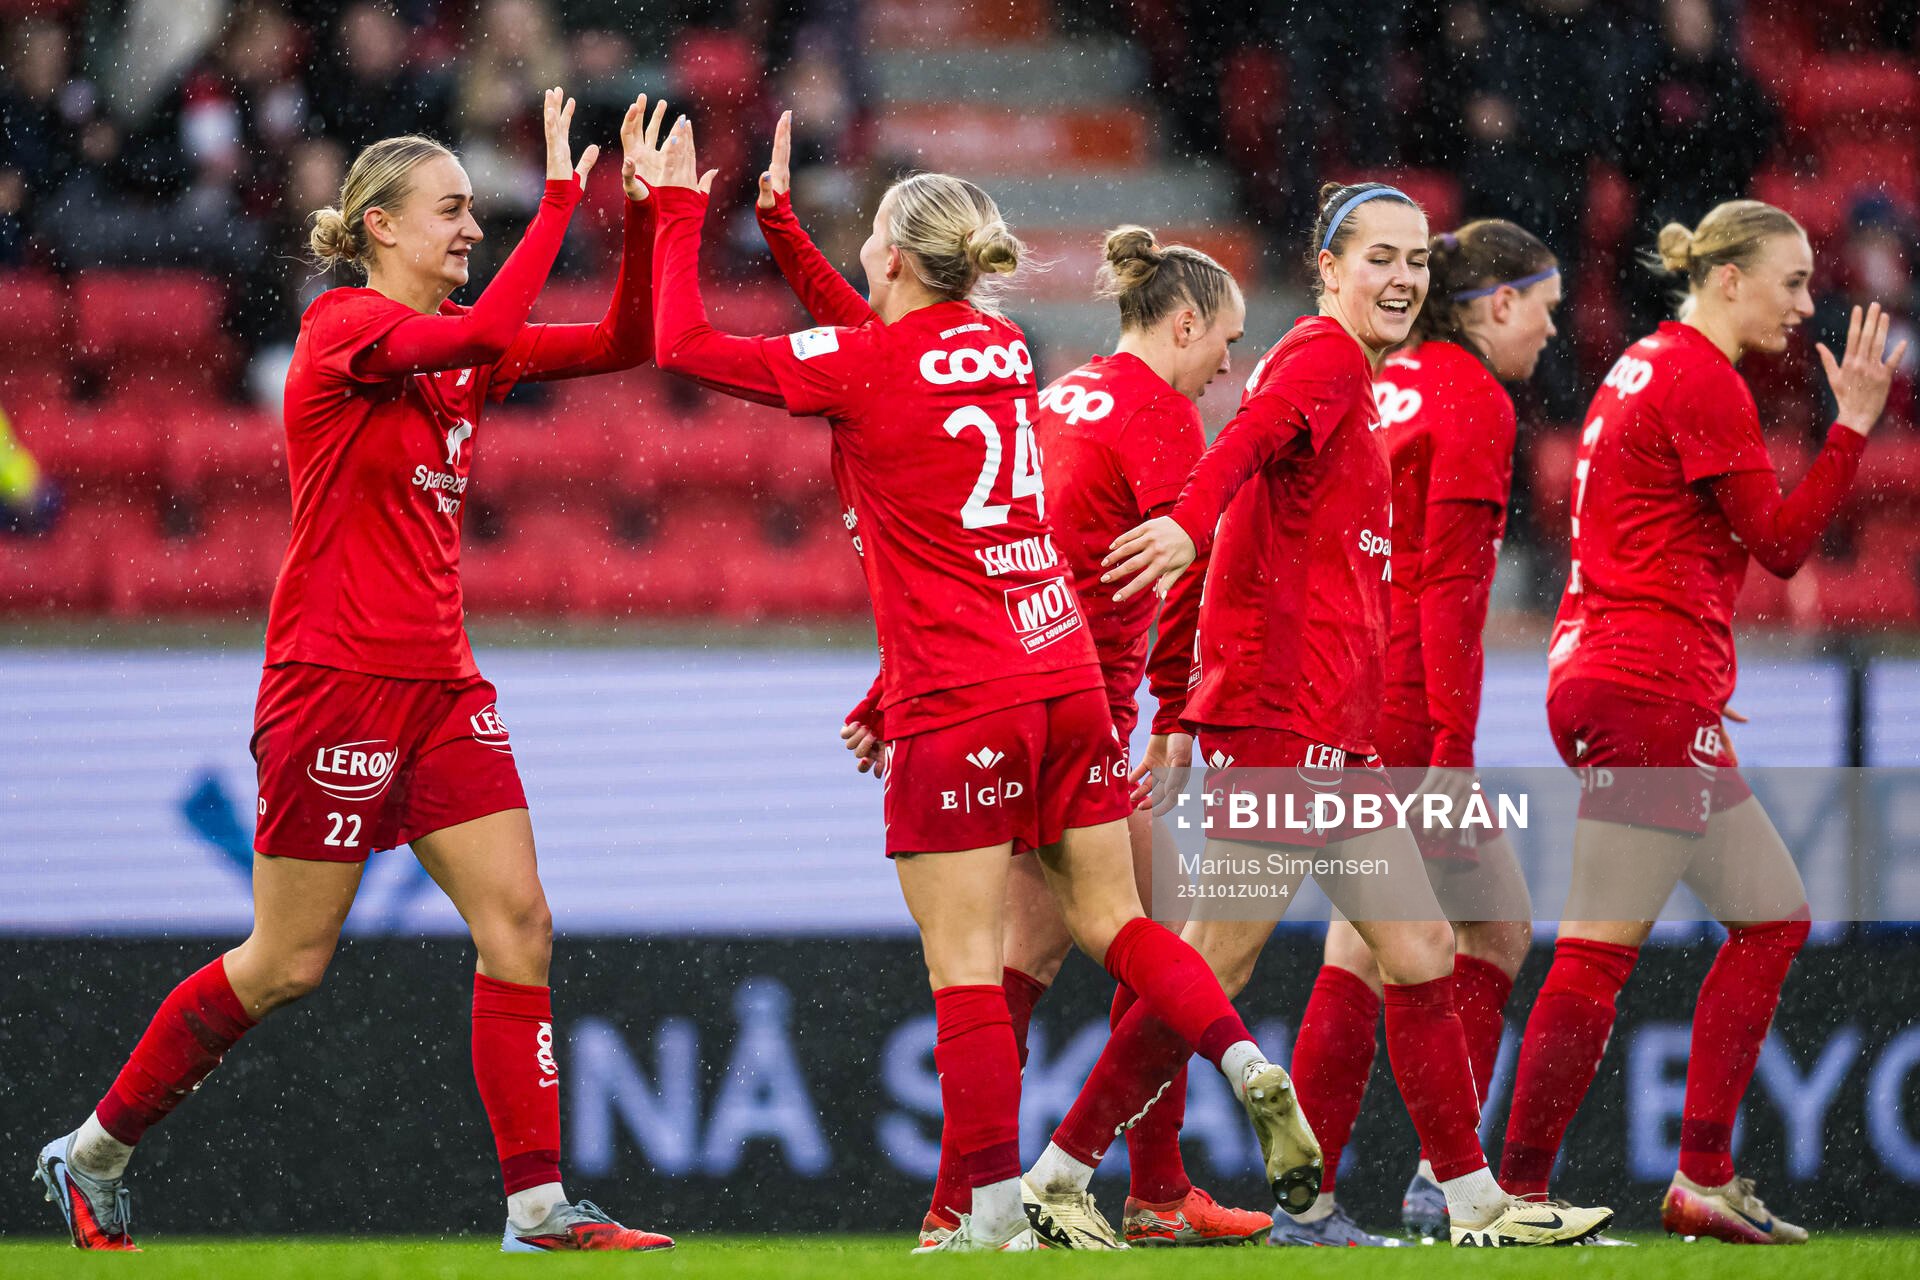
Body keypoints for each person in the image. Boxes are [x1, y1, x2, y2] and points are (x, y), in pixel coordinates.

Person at [645, 114, 1315, 1254]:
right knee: (1117, 920)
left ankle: (987, 1209)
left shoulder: (872, 363)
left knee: (965, 966)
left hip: (959, 693)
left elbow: (683, 343)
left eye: (873, 249)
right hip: (1064, 677)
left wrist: (670, 217)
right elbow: (883, 347)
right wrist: (787, 230)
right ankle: (1241, 1056)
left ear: (895, 259)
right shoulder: (1005, 351)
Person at [34, 90, 674, 1254]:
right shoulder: (341, 329)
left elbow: (627, 342)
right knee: (287, 961)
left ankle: (536, 1208)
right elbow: (484, 335)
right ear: (380, 226)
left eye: (476, 213)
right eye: (453, 211)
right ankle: (91, 1151)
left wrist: (651, 224)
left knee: (520, 921)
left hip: (440, 684)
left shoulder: (457, 349)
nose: (471, 229)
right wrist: (562, 197)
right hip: (332, 680)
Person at [1067, 181, 1613, 1248]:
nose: (1404, 276)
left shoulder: (1374, 383)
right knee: (1231, 962)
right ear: (1326, 266)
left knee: (1408, 944)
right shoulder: (1355, 369)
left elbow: (1259, 529)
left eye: (1417, 258)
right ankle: (1062, 1170)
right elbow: (1429, 583)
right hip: (1306, 723)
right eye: (1381, 257)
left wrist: (1180, 702)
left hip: (1340, 723)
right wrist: (1186, 528)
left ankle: (1460, 1198)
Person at [1500, 199, 1903, 1245]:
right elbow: (1777, 542)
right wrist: (1853, 425)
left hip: (1627, 674)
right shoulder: (1700, 379)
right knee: (1596, 950)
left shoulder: (1646, 363)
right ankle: (1513, 1193)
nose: (1806, 303)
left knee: (1771, 916)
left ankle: (1701, 1174)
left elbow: (1657, 538)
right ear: (1729, 278)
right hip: (1643, 682)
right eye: (1792, 281)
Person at [1273, 219, 1561, 1246]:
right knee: (1470, 932)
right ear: (1497, 302)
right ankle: (1445, 1180)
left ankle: (1315, 1197)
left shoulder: (1388, 378)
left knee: (1374, 942)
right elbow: (1449, 588)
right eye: (1544, 306)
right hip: (1403, 701)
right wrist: (1452, 750)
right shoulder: (1475, 399)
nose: (1551, 329)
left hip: (1344, 682)